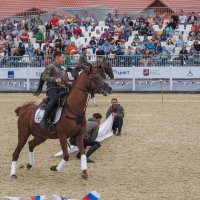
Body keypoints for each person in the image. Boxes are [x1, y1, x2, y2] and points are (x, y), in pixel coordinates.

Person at [39, 51, 69, 129]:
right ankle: (44, 118)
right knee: (55, 99)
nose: (64, 59)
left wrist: (68, 83)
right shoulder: (50, 66)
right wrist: (54, 80)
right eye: (63, 57)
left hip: (61, 88)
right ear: (57, 58)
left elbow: (63, 80)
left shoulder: (62, 69)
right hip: (52, 88)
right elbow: (44, 77)